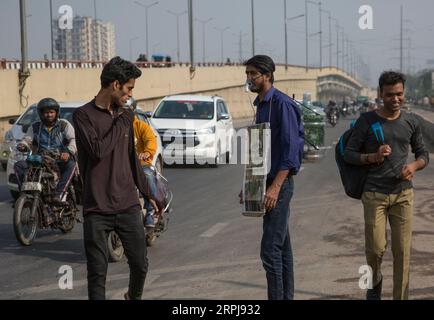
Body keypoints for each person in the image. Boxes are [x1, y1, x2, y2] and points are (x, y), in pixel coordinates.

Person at [72, 56, 161, 300]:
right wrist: (123, 120)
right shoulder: (83, 116)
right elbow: (97, 151)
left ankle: (132, 297)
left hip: (127, 205)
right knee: (97, 274)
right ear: (115, 84)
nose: (130, 94)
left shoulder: (124, 116)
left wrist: (147, 193)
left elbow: (133, 159)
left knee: (140, 264)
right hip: (97, 207)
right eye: (129, 88)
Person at [344, 71, 429, 300]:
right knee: (375, 249)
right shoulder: (367, 121)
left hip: (403, 195)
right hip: (374, 195)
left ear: (404, 93)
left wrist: (414, 166)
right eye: (390, 94)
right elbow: (349, 154)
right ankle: (375, 280)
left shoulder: (411, 121)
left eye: (399, 94)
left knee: (402, 252)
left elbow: (423, 154)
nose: (395, 99)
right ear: (380, 93)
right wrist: (373, 157)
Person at [239, 55, 304, 300]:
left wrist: (275, 188)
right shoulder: (261, 105)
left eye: (253, 74)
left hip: (279, 185)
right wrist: (249, 186)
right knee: (282, 248)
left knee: (270, 251)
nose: (249, 79)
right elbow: (260, 150)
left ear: (267, 75)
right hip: (265, 183)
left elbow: (289, 152)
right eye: (247, 74)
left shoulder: (282, 105)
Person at [14, 98, 77, 204]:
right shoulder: (35, 126)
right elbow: (27, 140)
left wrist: (68, 151)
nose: (49, 115)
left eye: (51, 112)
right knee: (19, 165)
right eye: (46, 112)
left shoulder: (63, 124)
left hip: (58, 159)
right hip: (40, 159)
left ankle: (59, 194)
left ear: (56, 113)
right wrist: (23, 145)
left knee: (71, 165)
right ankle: (26, 194)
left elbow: (73, 139)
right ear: (41, 114)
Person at [126, 97, 159, 230]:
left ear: (133, 111)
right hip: (122, 165)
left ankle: (150, 210)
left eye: (127, 110)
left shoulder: (141, 126)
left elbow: (151, 140)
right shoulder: (115, 126)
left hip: (141, 164)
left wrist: (147, 152)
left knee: (148, 177)